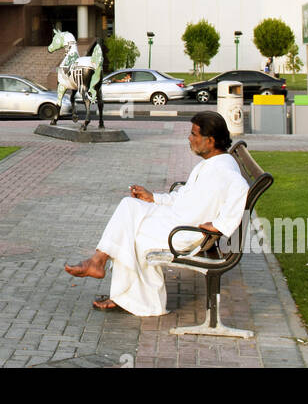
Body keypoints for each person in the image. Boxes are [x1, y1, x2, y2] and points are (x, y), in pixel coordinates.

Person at [65, 111, 249, 316]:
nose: (189, 138)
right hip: (175, 220)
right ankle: (100, 263)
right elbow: (184, 197)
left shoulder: (222, 169)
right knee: (129, 205)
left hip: (184, 233)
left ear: (211, 140)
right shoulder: (212, 163)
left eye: (194, 134)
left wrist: (220, 226)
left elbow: (242, 188)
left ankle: (123, 289)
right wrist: (154, 198)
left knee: (131, 234)